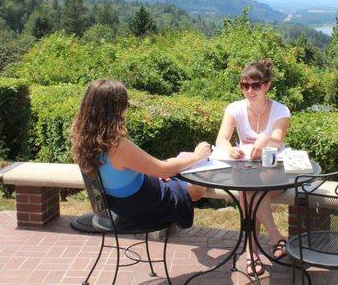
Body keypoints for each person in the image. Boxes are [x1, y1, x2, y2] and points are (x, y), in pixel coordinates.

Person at [71, 78, 210, 230]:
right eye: (126, 105)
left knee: (174, 167)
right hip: (144, 208)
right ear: (116, 110)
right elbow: (163, 169)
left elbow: (127, 172)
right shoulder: (118, 146)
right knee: (195, 186)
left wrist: (161, 171)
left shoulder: (84, 140)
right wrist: (198, 157)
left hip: (121, 205)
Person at [215, 59, 290, 276]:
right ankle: (271, 240)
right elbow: (221, 139)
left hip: (274, 175)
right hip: (246, 172)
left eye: (255, 85)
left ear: (267, 86)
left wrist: (265, 139)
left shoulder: (280, 110)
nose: (250, 90)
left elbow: (277, 139)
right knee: (249, 189)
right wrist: (229, 149)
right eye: (244, 85)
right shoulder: (234, 108)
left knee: (247, 191)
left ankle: (251, 252)